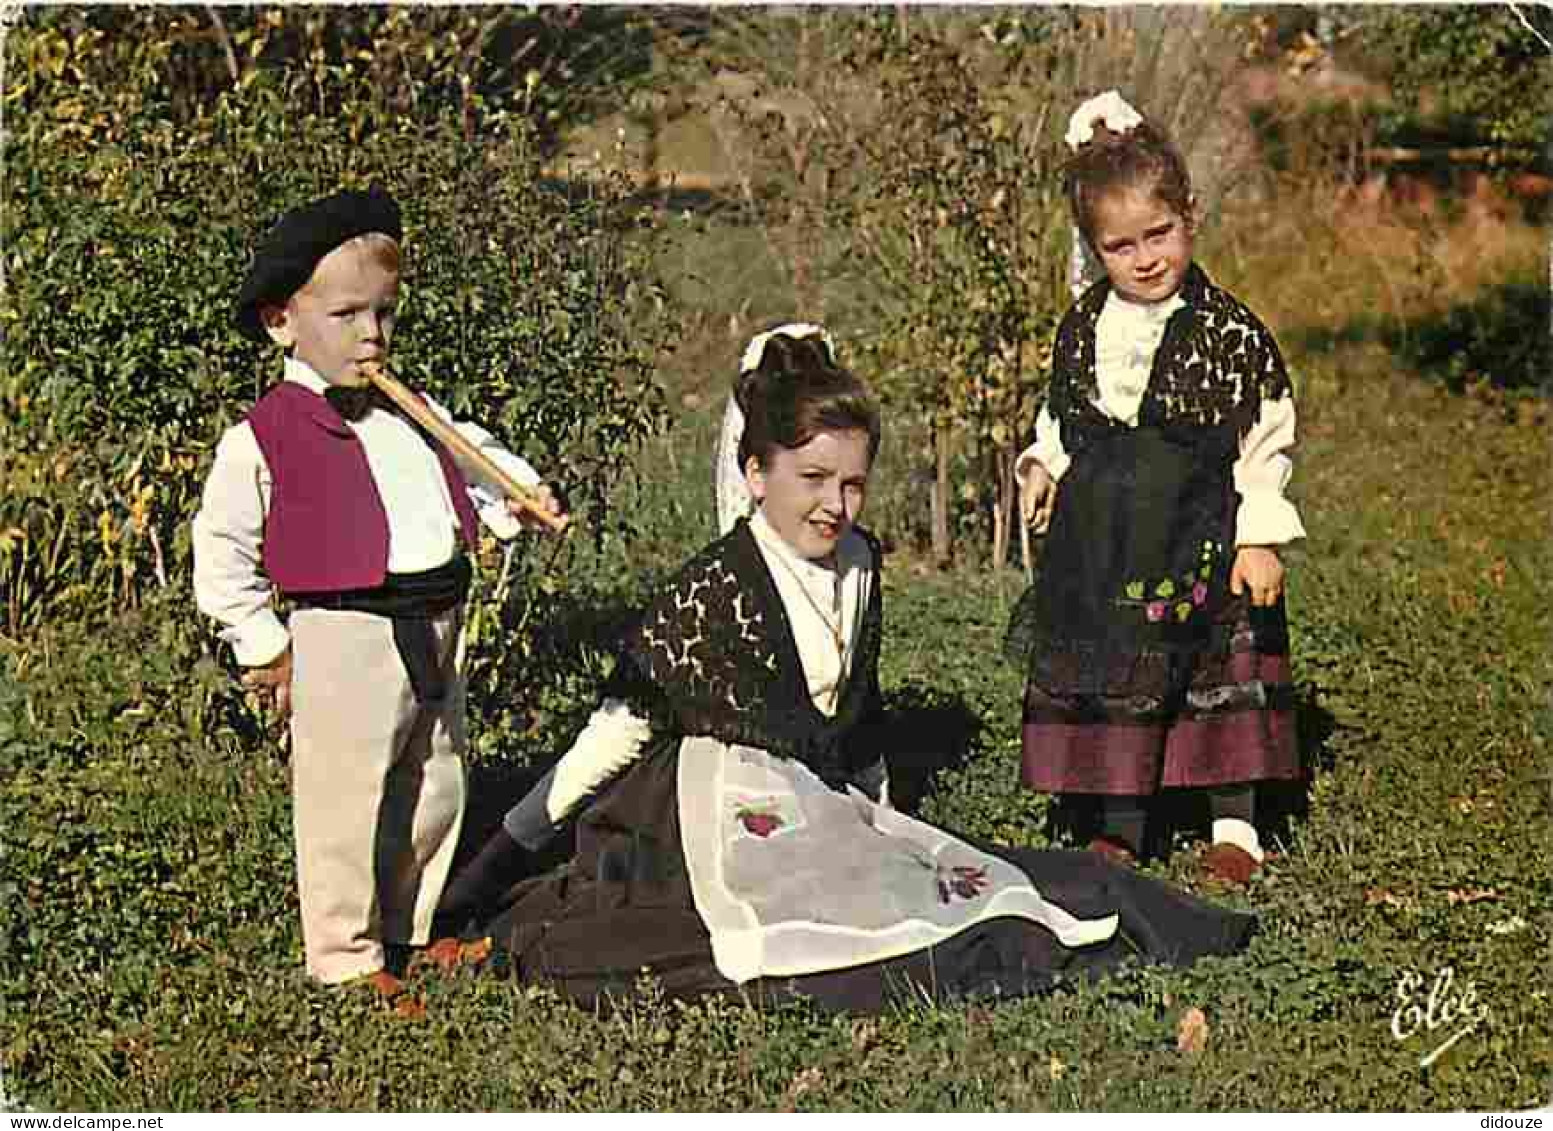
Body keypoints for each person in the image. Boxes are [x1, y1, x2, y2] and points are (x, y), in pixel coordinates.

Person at [433, 328, 1256, 1014]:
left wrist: (888, 825)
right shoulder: (710, 591)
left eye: (852, 483)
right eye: (812, 479)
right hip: (697, 804)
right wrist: (499, 858)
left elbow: (854, 718)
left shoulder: (860, 564)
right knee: (745, 939)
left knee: (964, 893)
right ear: (755, 476)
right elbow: (613, 736)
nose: (834, 503)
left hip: (813, 795)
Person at [191, 186, 567, 993]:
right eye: (347, 314)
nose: (371, 334)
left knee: (435, 778)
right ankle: (345, 957)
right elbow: (222, 552)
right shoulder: (263, 436)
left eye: (384, 313)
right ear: (281, 321)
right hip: (345, 630)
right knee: (345, 798)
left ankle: (410, 926)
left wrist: (519, 495)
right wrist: (266, 644)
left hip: (437, 618)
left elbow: (471, 460)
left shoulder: (411, 411)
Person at [1007, 91, 1307, 884]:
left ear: (1190, 217)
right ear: (1093, 249)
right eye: (1119, 245)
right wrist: (1041, 467)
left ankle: (1234, 823)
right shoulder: (1083, 327)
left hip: (1202, 531)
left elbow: (1264, 434)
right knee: (1120, 670)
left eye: (1158, 234)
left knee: (1215, 671)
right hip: (1109, 542)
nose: (1144, 258)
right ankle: (1120, 819)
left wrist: (1259, 534)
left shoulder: (1227, 332)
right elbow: (1062, 419)